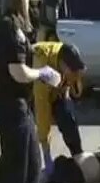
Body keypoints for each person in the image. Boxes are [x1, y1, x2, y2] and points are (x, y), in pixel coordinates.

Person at [0, 0, 61, 183]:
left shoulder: (19, 24)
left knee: (32, 166)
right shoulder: (8, 26)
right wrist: (42, 74)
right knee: (16, 170)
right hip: (10, 105)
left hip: (20, 104)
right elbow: (17, 71)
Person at [32, 41, 86, 175]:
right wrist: (46, 150)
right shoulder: (43, 68)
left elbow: (75, 86)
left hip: (56, 88)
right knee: (26, 132)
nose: (75, 74)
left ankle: (78, 155)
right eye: (72, 71)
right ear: (62, 65)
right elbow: (42, 110)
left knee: (67, 116)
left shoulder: (68, 59)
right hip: (29, 90)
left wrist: (67, 89)